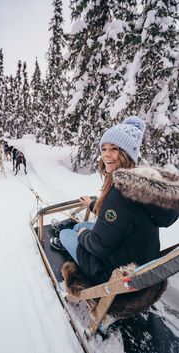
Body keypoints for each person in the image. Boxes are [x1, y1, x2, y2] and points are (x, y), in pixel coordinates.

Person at [50, 116, 179, 285]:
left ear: (126, 153)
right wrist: (91, 204)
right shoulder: (141, 186)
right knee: (80, 226)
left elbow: (98, 245)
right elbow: (120, 217)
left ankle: (67, 241)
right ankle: (77, 235)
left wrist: (81, 236)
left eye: (114, 149)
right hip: (140, 263)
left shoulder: (122, 193)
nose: (106, 155)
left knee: (68, 233)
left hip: (114, 274)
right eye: (103, 148)